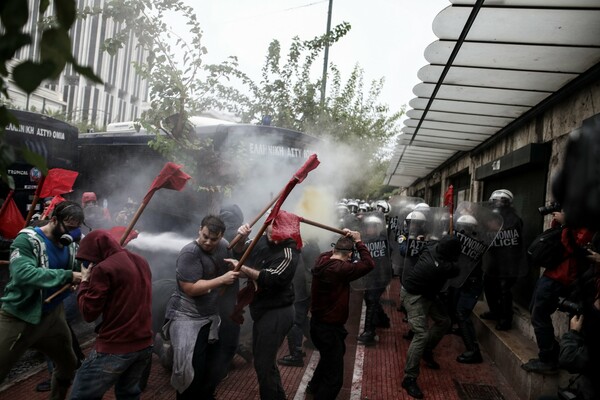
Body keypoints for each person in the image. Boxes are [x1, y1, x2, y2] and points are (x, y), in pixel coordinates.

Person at [0, 200, 83, 399]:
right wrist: (68, 276)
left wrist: (85, 269)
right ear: (54, 220)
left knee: (68, 365)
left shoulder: (71, 243)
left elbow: (81, 265)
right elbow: (23, 274)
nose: (71, 234)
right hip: (19, 316)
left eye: (76, 229)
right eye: (68, 228)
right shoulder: (26, 240)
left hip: (53, 315)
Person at [69, 229, 153, 399]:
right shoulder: (141, 261)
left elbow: (88, 313)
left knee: (81, 395)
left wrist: (84, 282)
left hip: (115, 347)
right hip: (144, 344)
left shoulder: (104, 269)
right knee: (128, 394)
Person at [164, 215, 240, 400]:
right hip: (186, 318)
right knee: (189, 371)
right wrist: (222, 280)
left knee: (213, 368)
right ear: (200, 229)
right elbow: (190, 288)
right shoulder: (189, 253)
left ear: (221, 236)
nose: (207, 242)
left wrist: (237, 263)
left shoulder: (223, 245)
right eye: (205, 236)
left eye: (213, 239)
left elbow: (232, 263)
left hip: (211, 315)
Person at [228, 221, 300, 400]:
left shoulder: (289, 253)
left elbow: (270, 277)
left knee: (264, 364)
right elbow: (240, 253)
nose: (274, 240)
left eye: (279, 237)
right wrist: (241, 239)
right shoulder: (261, 238)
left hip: (278, 312)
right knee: (265, 362)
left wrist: (241, 268)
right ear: (268, 225)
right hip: (262, 309)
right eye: (271, 233)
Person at [522, 209, 593, 374]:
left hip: (563, 276)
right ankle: (551, 354)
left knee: (539, 315)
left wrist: (567, 221)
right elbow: (555, 233)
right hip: (552, 272)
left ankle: (548, 360)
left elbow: (576, 245)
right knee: (536, 311)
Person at [307, 229, 375, 399]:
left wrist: (344, 241)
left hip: (317, 325)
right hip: (329, 329)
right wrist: (358, 241)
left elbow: (334, 252)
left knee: (330, 356)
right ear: (350, 254)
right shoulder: (341, 269)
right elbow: (368, 264)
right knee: (334, 379)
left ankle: (313, 385)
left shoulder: (322, 259)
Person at [400, 235, 462, 399]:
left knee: (444, 322)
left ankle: (426, 350)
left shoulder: (431, 246)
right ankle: (409, 378)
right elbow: (457, 269)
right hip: (414, 295)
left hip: (428, 293)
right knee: (421, 334)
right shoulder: (440, 267)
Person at [480, 189, 526, 331]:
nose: (498, 204)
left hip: (509, 261)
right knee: (488, 285)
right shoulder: (491, 217)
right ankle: (494, 312)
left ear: (508, 203)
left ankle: (506, 319)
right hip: (494, 259)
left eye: (501, 201)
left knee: (504, 290)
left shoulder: (514, 219)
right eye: (495, 201)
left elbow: (511, 234)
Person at [278, 239, 320, 367]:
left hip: (300, 288)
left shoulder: (303, 246)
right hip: (305, 287)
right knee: (301, 319)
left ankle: (296, 355)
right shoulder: (310, 243)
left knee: (294, 322)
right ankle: (314, 341)